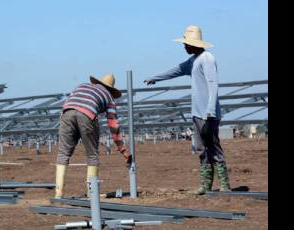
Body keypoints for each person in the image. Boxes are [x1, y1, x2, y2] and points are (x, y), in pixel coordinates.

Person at [144, 25, 231, 194]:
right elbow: (175, 70)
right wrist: (155, 78)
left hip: (207, 113)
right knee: (201, 147)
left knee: (213, 146)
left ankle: (224, 185)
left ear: (194, 44)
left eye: (186, 44)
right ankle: (205, 185)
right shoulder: (193, 61)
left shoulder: (207, 58)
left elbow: (213, 85)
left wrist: (211, 111)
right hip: (197, 113)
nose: (184, 46)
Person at [55, 74, 131, 198]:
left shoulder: (82, 86)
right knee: (92, 155)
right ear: (111, 89)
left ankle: (58, 194)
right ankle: (92, 193)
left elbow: (68, 103)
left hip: (66, 113)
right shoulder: (109, 97)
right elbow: (113, 125)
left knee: (63, 153)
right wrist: (122, 150)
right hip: (87, 114)